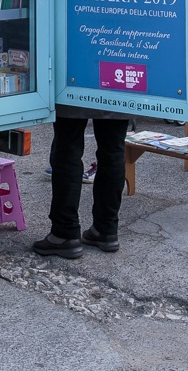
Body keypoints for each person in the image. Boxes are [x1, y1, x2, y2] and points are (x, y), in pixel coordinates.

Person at [34, 101, 129, 258]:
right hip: (117, 90)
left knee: (67, 146)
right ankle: (106, 228)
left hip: (73, 90)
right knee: (113, 149)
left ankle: (64, 232)